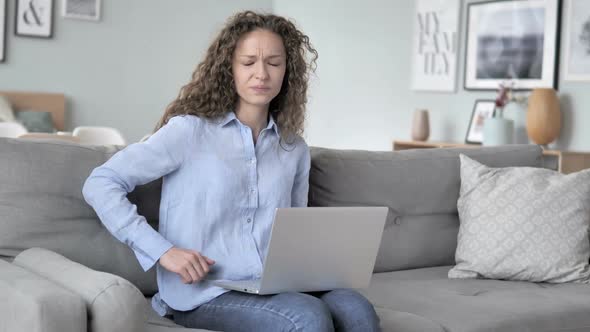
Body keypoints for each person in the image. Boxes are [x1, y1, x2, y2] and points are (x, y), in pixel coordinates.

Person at [83, 10, 380, 332]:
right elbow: (100, 183)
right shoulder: (188, 132)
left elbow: (296, 233)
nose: (262, 74)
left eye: (274, 63)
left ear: (287, 72)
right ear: (230, 69)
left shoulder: (293, 149)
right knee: (306, 316)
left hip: (272, 283)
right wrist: (163, 252)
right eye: (248, 62)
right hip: (204, 290)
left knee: (356, 308)